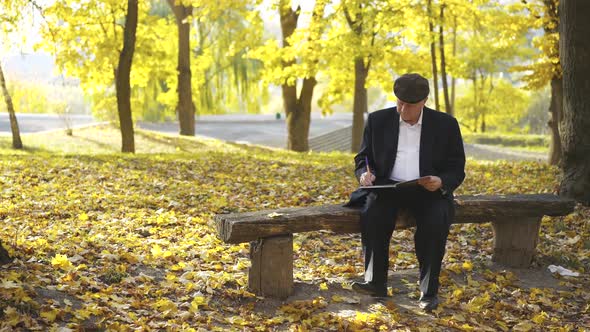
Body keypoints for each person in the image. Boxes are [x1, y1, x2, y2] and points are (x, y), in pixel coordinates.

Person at [345, 73, 466, 311]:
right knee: (373, 214)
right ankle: (375, 281)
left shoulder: (446, 124)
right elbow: (363, 157)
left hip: (428, 190)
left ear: (424, 101)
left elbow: (456, 168)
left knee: (435, 222)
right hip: (388, 187)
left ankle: (428, 292)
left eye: (409, 105)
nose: (402, 110)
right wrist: (363, 173)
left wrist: (441, 181)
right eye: (399, 103)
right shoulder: (378, 120)